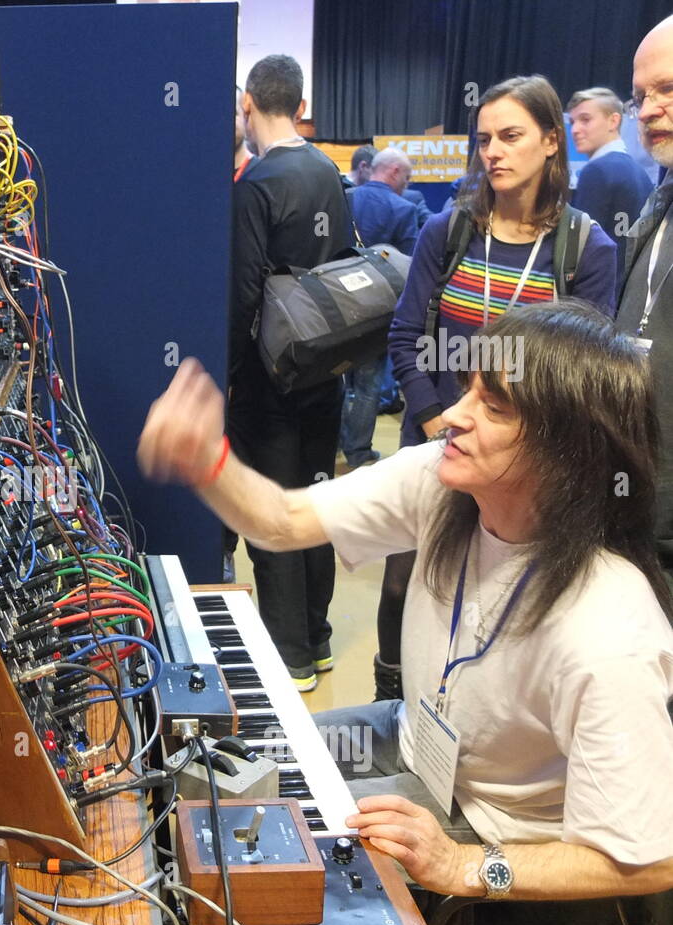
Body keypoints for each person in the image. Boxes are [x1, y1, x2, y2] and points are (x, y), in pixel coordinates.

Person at [137, 304, 673, 925]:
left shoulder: (609, 628)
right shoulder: (438, 481)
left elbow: (646, 861)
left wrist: (468, 866)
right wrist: (206, 459)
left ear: (570, 452)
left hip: (493, 825)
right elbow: (280, 520)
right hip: (415, 733)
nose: (454, 415)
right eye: (469, 387)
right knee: (233, 775)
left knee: (258, 833)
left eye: (495, 406)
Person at [377, 75, 617, 703]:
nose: (494, 152)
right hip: (438, 445)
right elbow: (407, 338)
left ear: (550, 142)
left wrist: (510, 446)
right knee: (408, 585)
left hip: (528, 463)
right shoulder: (448, 231)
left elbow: (584, 377)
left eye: (510, 136)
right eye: (484, 139)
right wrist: (439, 424)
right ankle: (392, 713)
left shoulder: (587, 248)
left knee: (509, 600)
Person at [227, 55, 352, 690]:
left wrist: (222, 373)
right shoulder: (327, 169)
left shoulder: (256, 184)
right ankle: (319, 639)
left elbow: (244, 292)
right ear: (300, 103)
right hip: (322, 372)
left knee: (271, 512)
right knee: (314, 506)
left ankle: (289, 657)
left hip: (268, 380)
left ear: (249, 102)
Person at [617, 15, 673, 591]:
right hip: (636, 520)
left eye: (668, 89)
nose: (650, 109)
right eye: (641, 96)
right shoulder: (657, 204)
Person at [341, 148, 419, 468]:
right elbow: (411, 267)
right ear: (395, 172)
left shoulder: (345, 198)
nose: (407, 184)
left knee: (335, 379)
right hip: (377, 310)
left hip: (335, 305)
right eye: (408, 177)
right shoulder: (403, 209)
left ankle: (334, 441)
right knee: (368, 383)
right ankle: (358, 452)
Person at [567, 87, 654, 248]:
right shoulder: (640, 172)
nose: (575, 130)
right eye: (572, 122)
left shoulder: (597, 171)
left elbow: (578, 246)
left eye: (585, 120)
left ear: (613, 121)